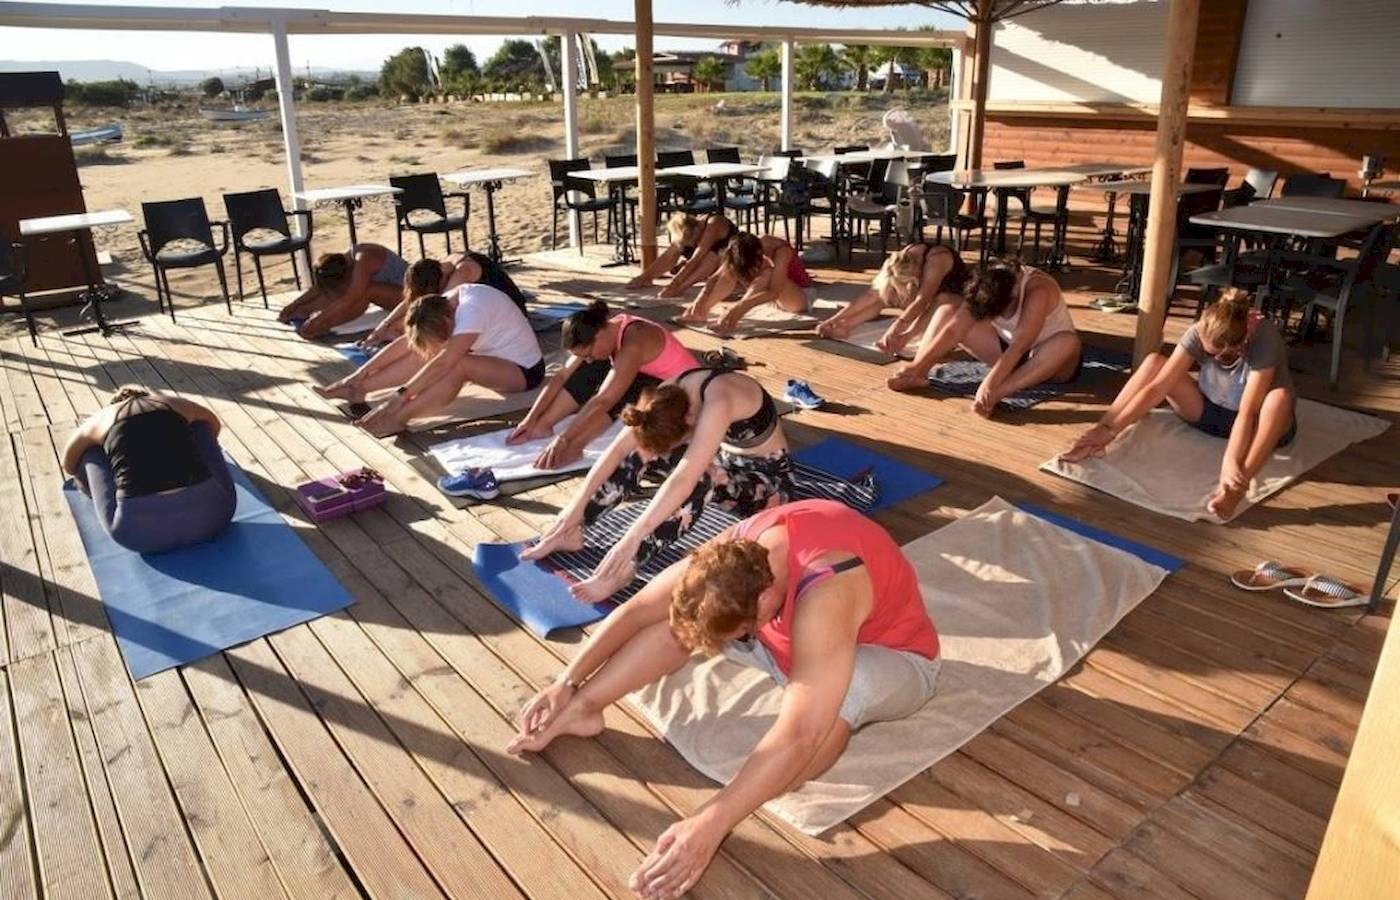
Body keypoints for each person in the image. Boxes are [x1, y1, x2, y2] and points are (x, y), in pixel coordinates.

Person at [508, 498, 941, 897]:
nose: (723, 645)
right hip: (786, 644)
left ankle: (745, 791)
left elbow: (802, 734)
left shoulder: (828, 586)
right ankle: (585, 711)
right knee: (684, 619)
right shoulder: (737, 553)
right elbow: (638, 609)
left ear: (765, 602)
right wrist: (568, 683)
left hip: (893, 660)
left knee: (845, 695)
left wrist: (711, 822)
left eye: (739, 633)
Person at [523, 367, 793, 602]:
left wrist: (631, 540)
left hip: (765, 485)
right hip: (722, 460)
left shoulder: (719, 400)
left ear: (688, 424)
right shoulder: (667, 397)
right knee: (637, 451)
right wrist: (574, 507)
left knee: (702, 477)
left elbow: (684, 478)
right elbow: (616, 452)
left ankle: (626, 568)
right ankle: (572, 530)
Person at [1061, 289, 1296, 519]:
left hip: (1255, 425)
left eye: (1221, 357)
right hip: (1210, 410)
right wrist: (1110, 430)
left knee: (1279, 399)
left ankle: (1234, 490)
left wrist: (1230, 461)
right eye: (1207, 353)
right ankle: (1096, 437)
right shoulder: (1201, 330)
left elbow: (1248, 412)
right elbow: (1158, 387)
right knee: (1155, 363)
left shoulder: (1264, 338)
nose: (1212, 359)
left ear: (1241, 342)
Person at [314, 284, 544, 437]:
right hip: (492, 360)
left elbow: (443, 364)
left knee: (456, 364)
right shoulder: (445, 303)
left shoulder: (472, 309)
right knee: (428, 349)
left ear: (447, 318)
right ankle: (357, 389)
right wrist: (357, 376)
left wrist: (399, 398)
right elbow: (410, 343)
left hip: (524, 371)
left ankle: (398, 418)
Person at [508, 300, 701, 470]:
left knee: (618, 384)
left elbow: (604, 399)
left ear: (599, 334)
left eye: (588, 352)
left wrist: (565, 439)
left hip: (686, 397)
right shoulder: (606, 331)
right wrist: (531, 419)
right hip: (660, 383)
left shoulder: (633, 342)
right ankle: (543, 426)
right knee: (591, 366)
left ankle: (576, 447)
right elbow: (561, 376)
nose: (589, 359)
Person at [885, 257, 1082, 416]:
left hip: (1051, 361)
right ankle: (918, 374)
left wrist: (990, 385)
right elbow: (954, 329)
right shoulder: (986, 282)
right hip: (1007, 351)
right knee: (948, 311)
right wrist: (917, 364)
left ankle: (998, 393)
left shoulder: (1038, 290)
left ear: (1012, 297)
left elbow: (1019, 346)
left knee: (1068, 342)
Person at [62, 386, 236, 554]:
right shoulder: (173, 402)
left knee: (89, 451)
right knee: (200, 426)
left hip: (136, 535)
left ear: (113, 404)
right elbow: (213, 425)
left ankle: (102, 491)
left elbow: (69, 464)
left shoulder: (100, 419)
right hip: (216, 516)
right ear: (147, 395)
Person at [815, 241, 969, 356]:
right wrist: (834, 319)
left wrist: (896, 329)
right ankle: (845, 326)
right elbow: (872, 294)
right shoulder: (898, 260)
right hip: (926, 295)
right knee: (885, 294)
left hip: (956, 300)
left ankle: (905, 338)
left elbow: (921, 301)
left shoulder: (937, 259)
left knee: (942, 299)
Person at [361, 252, 528, 348]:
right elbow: (411, 301)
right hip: (485, 311)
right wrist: (383, 326)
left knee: (434, 327)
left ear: (440, 283)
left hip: (511, 316)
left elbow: (434, 309)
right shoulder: (438, 269)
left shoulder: (464, 271)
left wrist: (398, 330)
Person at [676, 233, 813, 336]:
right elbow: (715, 278)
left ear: (759, 254)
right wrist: (700, 301)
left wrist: (739, 308)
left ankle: (731, 319)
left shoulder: (781, 251)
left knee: (768, 274)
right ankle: (700, 313)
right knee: (729, 272)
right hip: (769, 297)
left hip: (799, 298)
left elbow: (774, 291)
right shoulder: (740, 248)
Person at [276, 244, 408, 339]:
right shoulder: (343, 261)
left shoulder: (364, 259)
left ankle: (324, 326)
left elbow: (351, 298)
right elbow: (320, 287)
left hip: (417, 298)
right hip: (396, 294)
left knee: (365, 291)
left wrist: (317, 321)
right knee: (346, 289)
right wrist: (293, 305)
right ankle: (305, 312)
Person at [627, 213, 739, 298]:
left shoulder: (714, 224)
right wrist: (645, 277)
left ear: (696, 230)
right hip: (709, 260)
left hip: (730, 259)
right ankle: (647, 278)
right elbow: (668, 257)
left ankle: (682, 288)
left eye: (693, 241)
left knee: (711, 257)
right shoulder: (688, 231)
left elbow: (696, 259)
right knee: (676, 250)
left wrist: (675, 284)